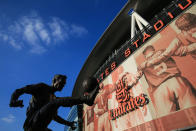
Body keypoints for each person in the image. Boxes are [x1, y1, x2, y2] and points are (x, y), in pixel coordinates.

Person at [9, 75, 99, 131]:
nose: (63, 86)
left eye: (64, 84)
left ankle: (86, 100)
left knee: (55, 102)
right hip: (32, 123)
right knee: (55, 102)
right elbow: (20, 90)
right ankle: (86, 99)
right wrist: (13, 101)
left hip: (41, 127)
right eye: (61, 83)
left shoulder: (54, 98)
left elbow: (55, 117)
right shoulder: (42, 87)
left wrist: (69, 123)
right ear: (54, 81)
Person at [137, 45, 196, 117]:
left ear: (145, 55)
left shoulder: (141, 66)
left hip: (159, 90)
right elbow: (185, 49)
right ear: (153, 49)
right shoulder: (164, 51)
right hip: (176, 81)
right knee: (193, 111)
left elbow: (136, 77)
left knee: (168, 122)